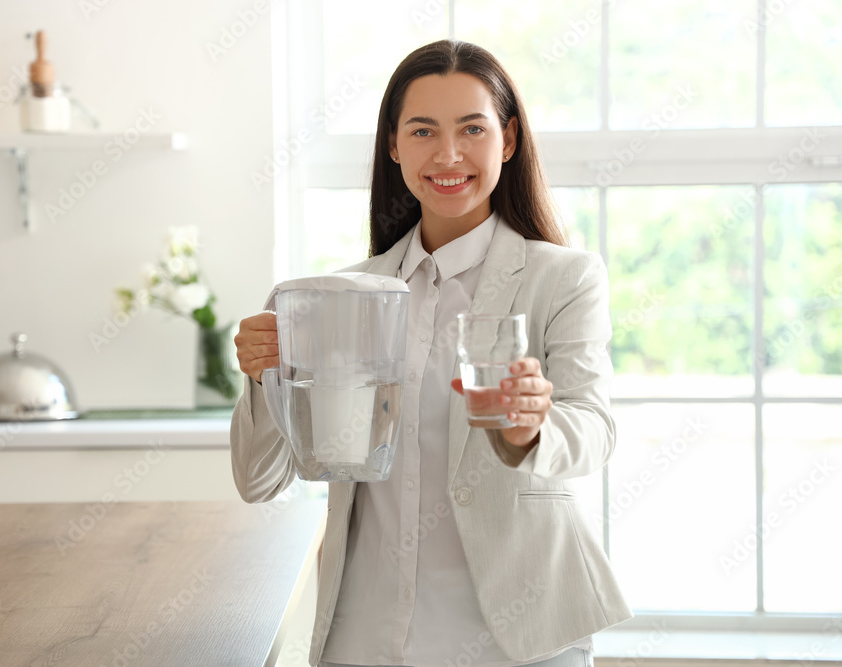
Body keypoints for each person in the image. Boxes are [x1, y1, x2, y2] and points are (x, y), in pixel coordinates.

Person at [231, 39, 631, 667]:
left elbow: (594, 432)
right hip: (366, 634)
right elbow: (260, 481)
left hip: (518, 637)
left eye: (472, 128)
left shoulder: (564, 278)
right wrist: (262, 380)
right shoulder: (339, 298)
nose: (448, 155)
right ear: (393, 145)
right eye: (422, 131)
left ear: (508, 138)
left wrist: (532, 428)